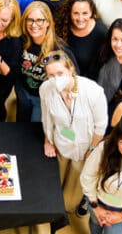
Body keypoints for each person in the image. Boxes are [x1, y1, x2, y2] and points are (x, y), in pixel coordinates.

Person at [39, 51, 107, 231]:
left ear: (71, 70)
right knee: (55, 185)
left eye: (60, 74)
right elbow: (47, 118)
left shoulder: (93, 91)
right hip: (61, 144)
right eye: (51, 75)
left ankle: (66, 211)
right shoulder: (46, 89)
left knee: (71, 198)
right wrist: (48, 140)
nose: (55, 79)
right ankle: (53, 213)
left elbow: (101, 126)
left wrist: (92, 149)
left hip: (85, 149)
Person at [18, 2, 76, 122]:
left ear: (48, 22)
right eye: (30, 20)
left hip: (44, 98)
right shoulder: (22, 41)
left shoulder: (58, 49)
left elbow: (73, 76)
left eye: (39, 20)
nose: (34, 25)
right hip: (24, 92)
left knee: (37, 130)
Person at [56, 0, 108, 78]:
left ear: (91, 13)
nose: (80, 18)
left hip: (87, 83)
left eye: (85, 13)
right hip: (62, 77)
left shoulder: (101, 32)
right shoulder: (62, 26)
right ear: (70, 13)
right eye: (76, 13)